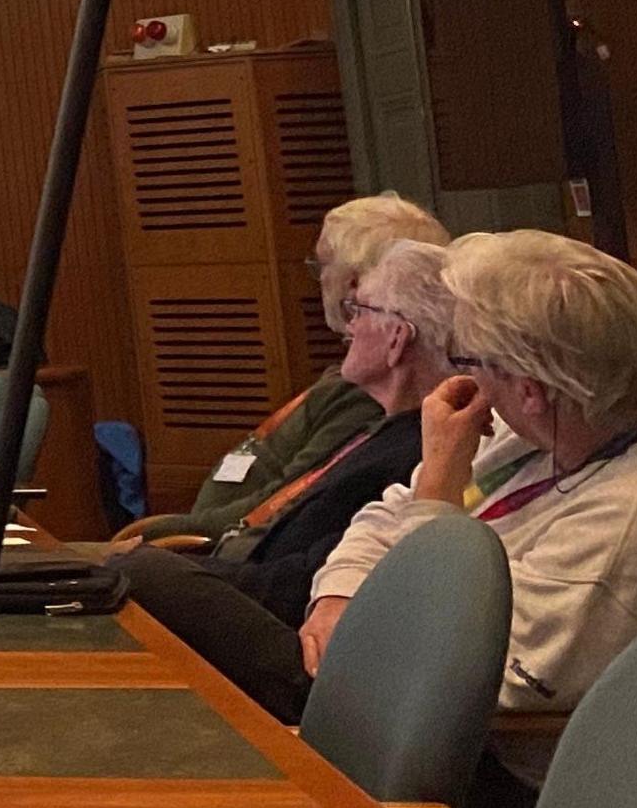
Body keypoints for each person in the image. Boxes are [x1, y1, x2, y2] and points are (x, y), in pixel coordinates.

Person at [301, 233, 637, 760]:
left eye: (468, 359)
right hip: (396, 659)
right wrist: (337, 594)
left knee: (193, 605)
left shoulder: (619, 539)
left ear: (529, 390)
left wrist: (437, 495)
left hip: (477, 765)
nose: (462, 378)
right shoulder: (584, 416)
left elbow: (428, 682)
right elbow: (384, 513)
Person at [108, 241, 454, 721]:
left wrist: (192, 570)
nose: (348, 324)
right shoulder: (379, 427)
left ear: (397, 338)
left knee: (139, 575)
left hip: (310, 655)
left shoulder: (416, 449)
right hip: (264, 586)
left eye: (361, 310)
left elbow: (304, 579)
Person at [111, 191, 450, 546]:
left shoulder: (368, 395)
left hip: (219, 551)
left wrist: (159, 537)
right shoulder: (352, 380)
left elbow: (288, 503)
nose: (319, 280)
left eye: (322, 266)